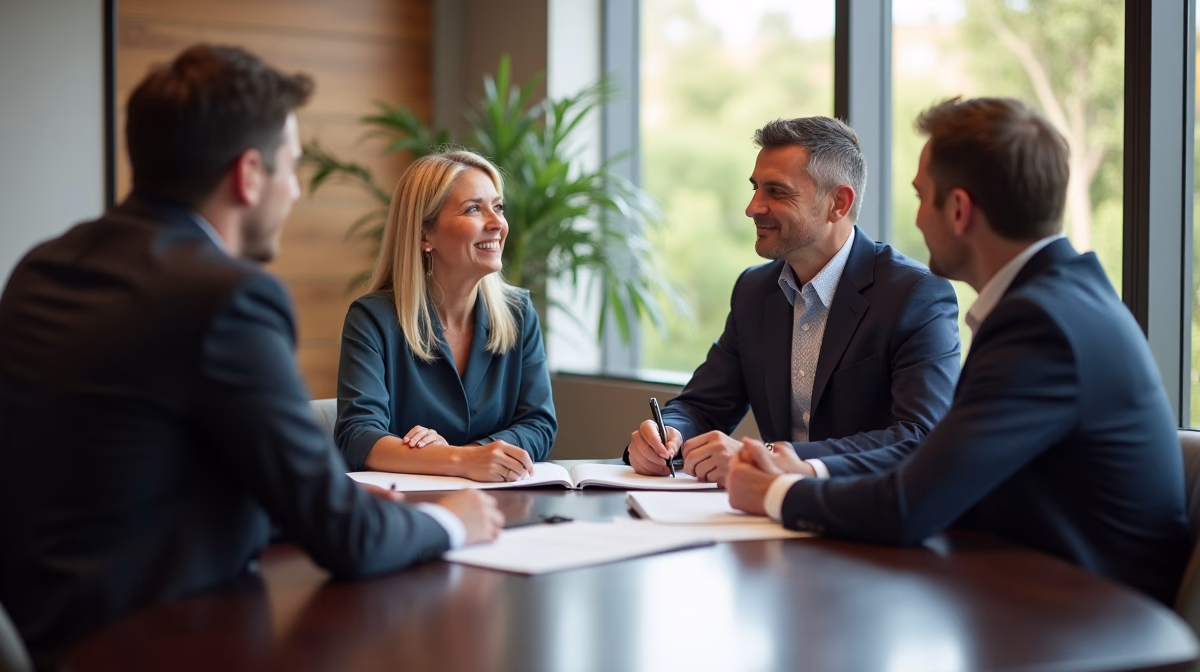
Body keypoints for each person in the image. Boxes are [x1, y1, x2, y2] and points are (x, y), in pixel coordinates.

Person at [0, 45, 504, 670]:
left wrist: (322, 504)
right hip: (158, 642)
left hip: (49, 632)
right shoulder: (224, 298)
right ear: (247, 175)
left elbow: (137, 480)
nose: (295, 190)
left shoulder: (39, 268)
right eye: (290, 167)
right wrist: (451, 520)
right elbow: (344, 539)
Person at [727, 97, 1190, 605]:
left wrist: (775, 492)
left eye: (922, 198)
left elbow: (912, 502)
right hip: (1036, 596)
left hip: (1090, 624)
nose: (919, 220)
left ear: (959, 210)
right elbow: (935, 473)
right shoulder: (1060, 298)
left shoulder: (1041, 325)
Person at [625, 116, 961, 486]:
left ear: (838, 203)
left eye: (777, 191)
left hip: (869, 517)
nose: (753, 207)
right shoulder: (754, 291)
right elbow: (701, 406)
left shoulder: (915, 294)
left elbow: (921, 436)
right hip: (767, 518)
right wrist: (666, 436)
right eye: (755, 188)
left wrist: (770, 458)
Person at [334, 150, 557, 482]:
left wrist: (471, 455)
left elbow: (539, 424)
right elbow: (358, 436)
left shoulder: (519, 314)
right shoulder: (372, 319)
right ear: (425, 234)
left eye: (498, 207)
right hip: (408, 514)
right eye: (473, 209)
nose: (498, 224)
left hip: (503, 504)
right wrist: (460, 460)